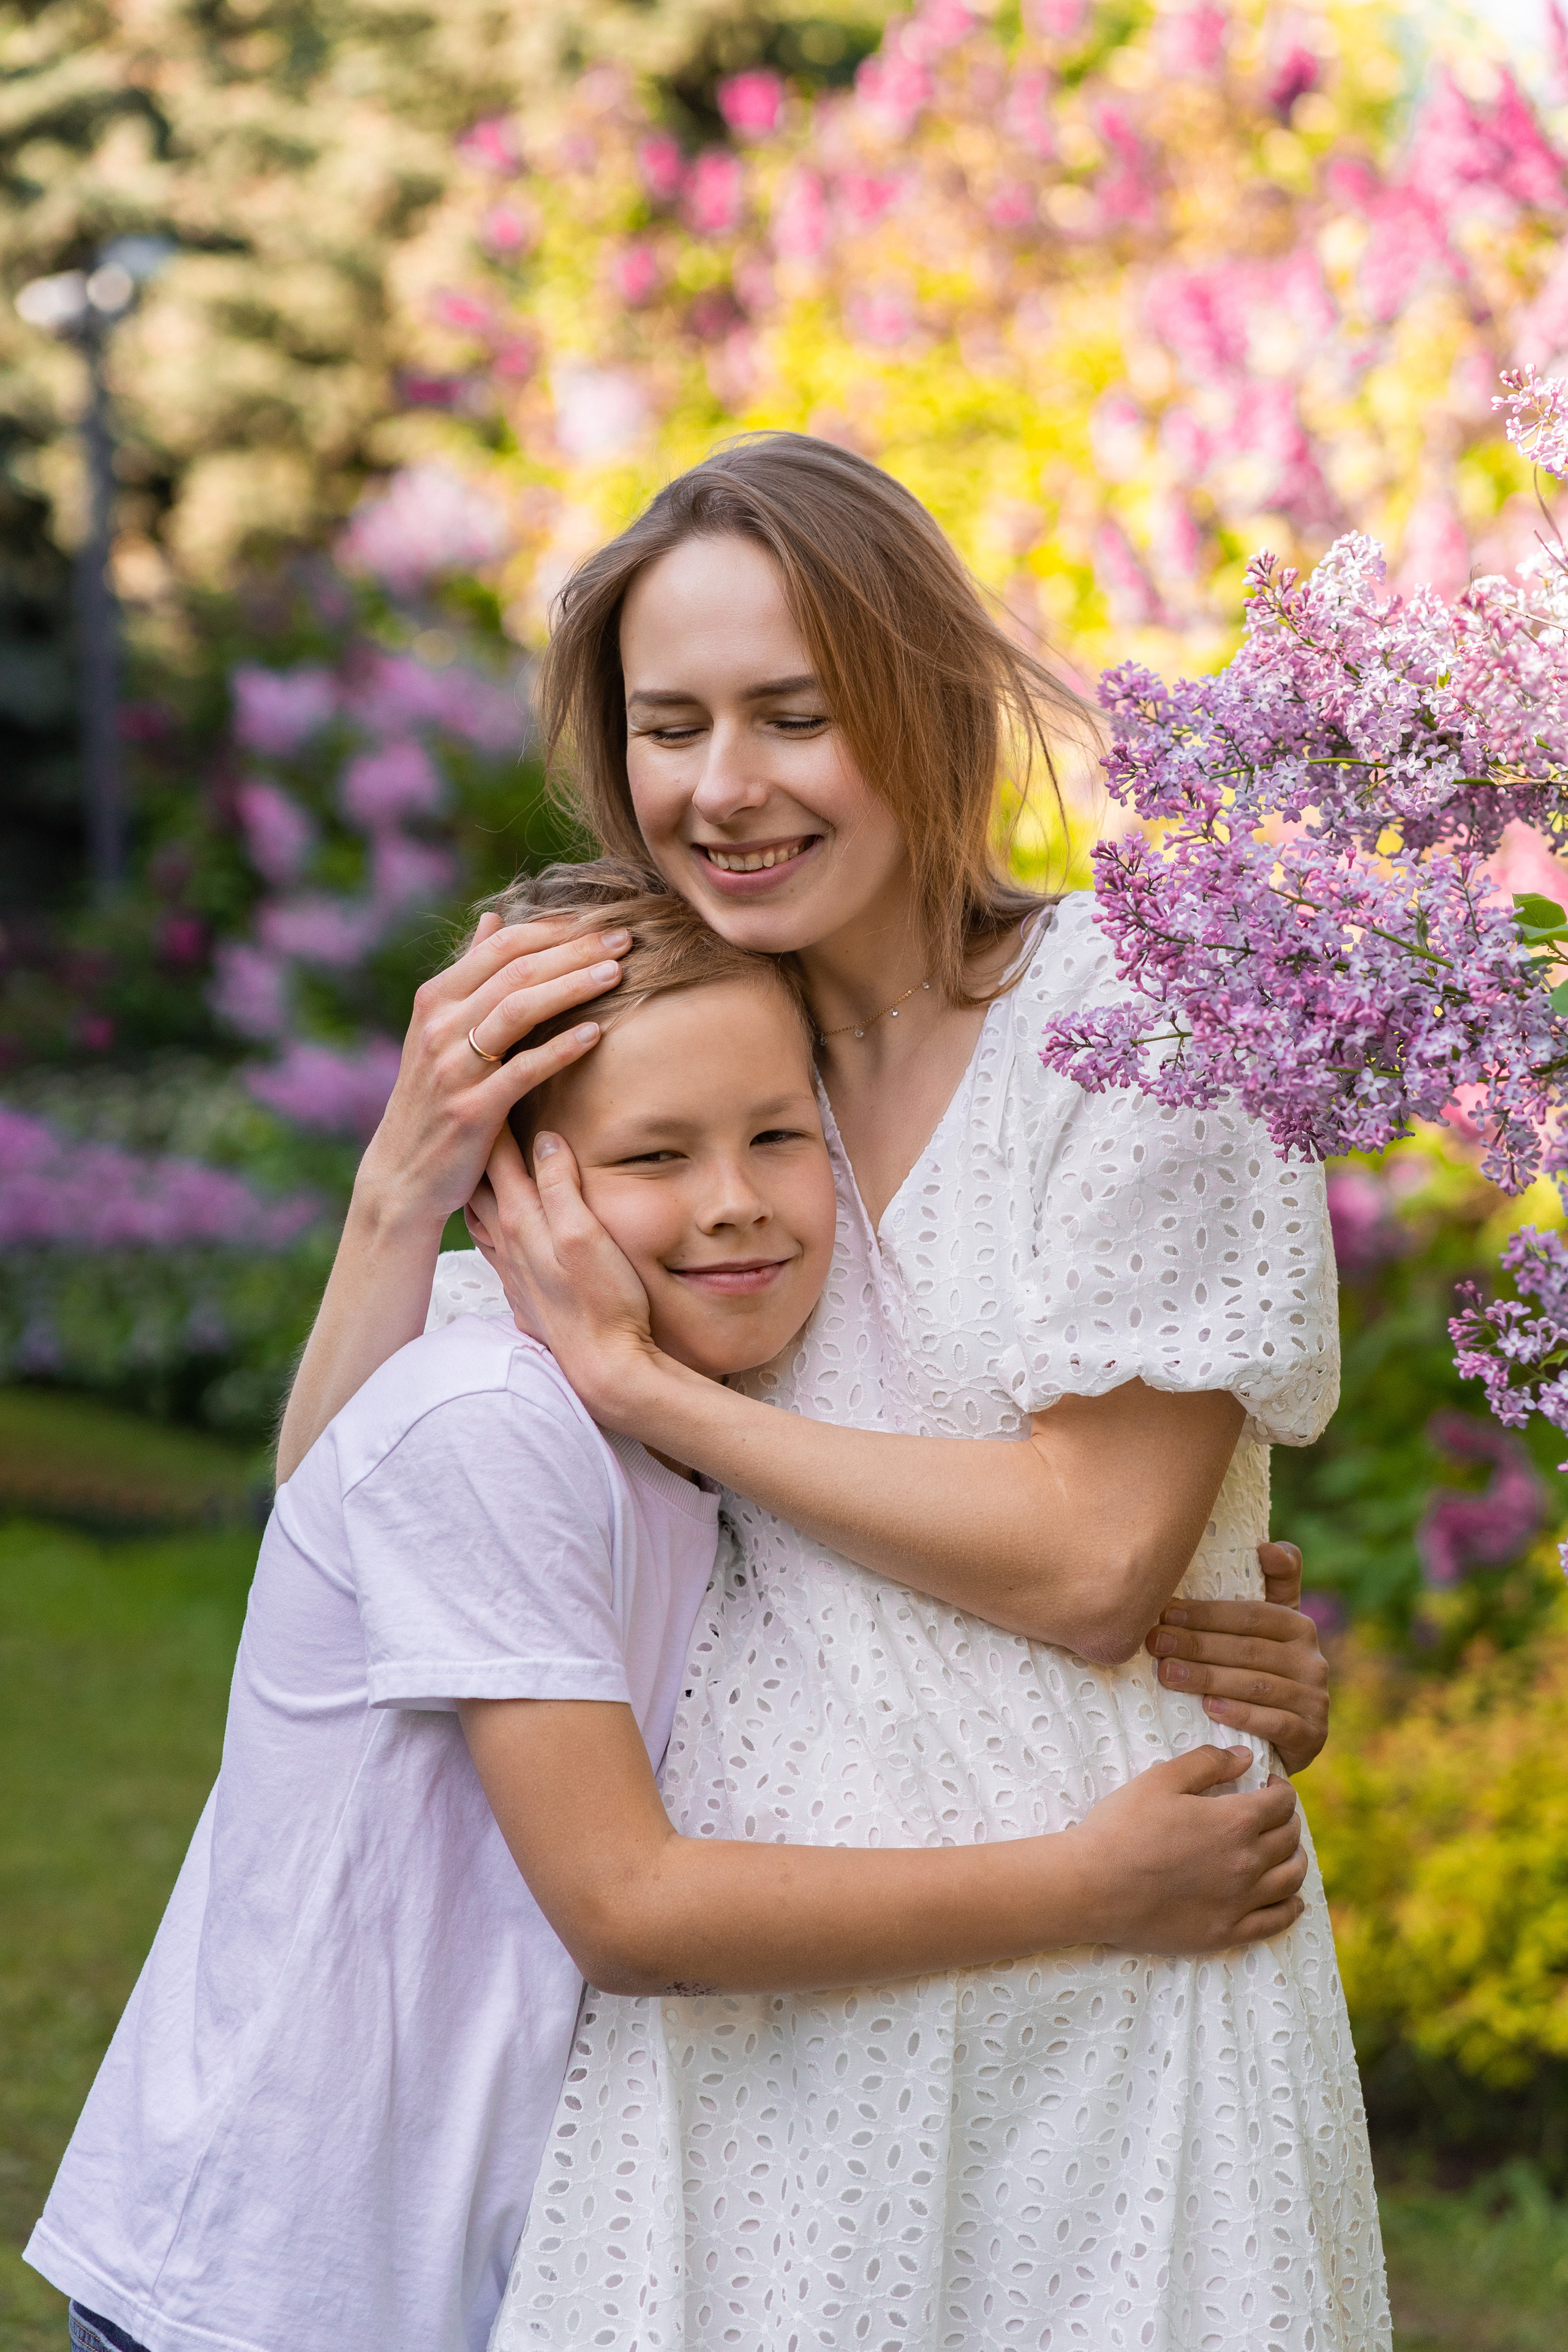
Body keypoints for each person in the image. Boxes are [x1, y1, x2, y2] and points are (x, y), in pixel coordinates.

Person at [275, 434, 1384, 2348]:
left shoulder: (1139, 1022)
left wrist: (656, 1392)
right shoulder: (672, 1051)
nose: (725, 787)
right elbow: (356, 1522)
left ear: (927, 705)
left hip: (1118, 1988)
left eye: (797, 715)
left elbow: (1095, 1565)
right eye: (670, 723)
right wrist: (401, 1183)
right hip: (755, 2015)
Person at [24, 872, 1311, 2352]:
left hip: (488, 2265)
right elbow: (627, 1909)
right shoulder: (491, 1413)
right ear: (519, 1190)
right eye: (653, 1155)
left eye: (778, 1136)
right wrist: (1088, 1884)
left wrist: (1201, 1622)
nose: (733, 1202)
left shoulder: (696, 1426)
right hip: (273, 2286)